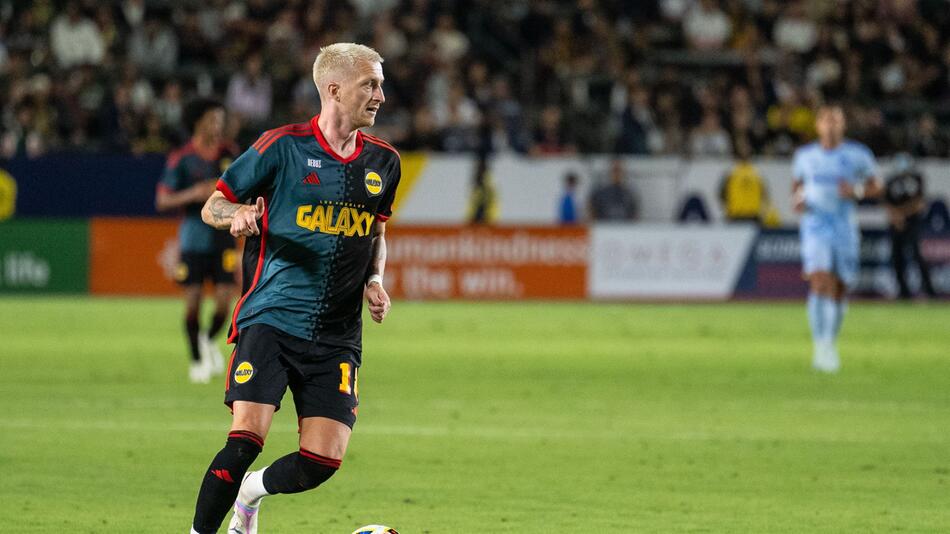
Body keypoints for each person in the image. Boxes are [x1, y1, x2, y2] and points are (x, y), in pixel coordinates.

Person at [191, 43, 400, 534]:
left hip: (337, 334)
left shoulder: (384, 162)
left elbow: (377, 235)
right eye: (370, 84)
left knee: (322, 460)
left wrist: (375, 279)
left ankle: (252, 492)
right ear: (333, 88)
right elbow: (212, 206)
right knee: (244, 440)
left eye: (380, 84)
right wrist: (237, 215)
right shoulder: (281, 146)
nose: (381, 95)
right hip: (272, 317)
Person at [792, 103, 881, 373]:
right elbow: (797, 186)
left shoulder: (857, 155)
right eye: (826, 121)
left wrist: (855, 190)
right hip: (815, 225)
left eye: (836, 121)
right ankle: (821, 346)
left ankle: (830, 340)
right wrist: (797, 201)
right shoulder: (805, 156)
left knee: (840, 286)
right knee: (819, 280)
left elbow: (876, 186)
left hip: (844, 226)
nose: (831, 126)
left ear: (843, 125)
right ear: (818, 125)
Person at [155, 98, 238, 384]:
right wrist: (194, 193)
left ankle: (206, 339)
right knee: (192, 303)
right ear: (198, 122)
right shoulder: (182, 158)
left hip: (224, 236)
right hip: (193, 238)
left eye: (220, 120)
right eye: (213, 119)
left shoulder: (229, 153)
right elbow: (163, 199)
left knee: (225, 304)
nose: (218, 125)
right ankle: (196, 359)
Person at [883, 154, 937, 300]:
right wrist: (896, 216)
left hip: (913, 223)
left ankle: (929, 291)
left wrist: (903, 214)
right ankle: (903, 292)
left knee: (917, 255)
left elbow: (920, 203)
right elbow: (885, 202)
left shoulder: (916, 179)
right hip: (896, 224)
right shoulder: (891, 181)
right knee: (897, 257)